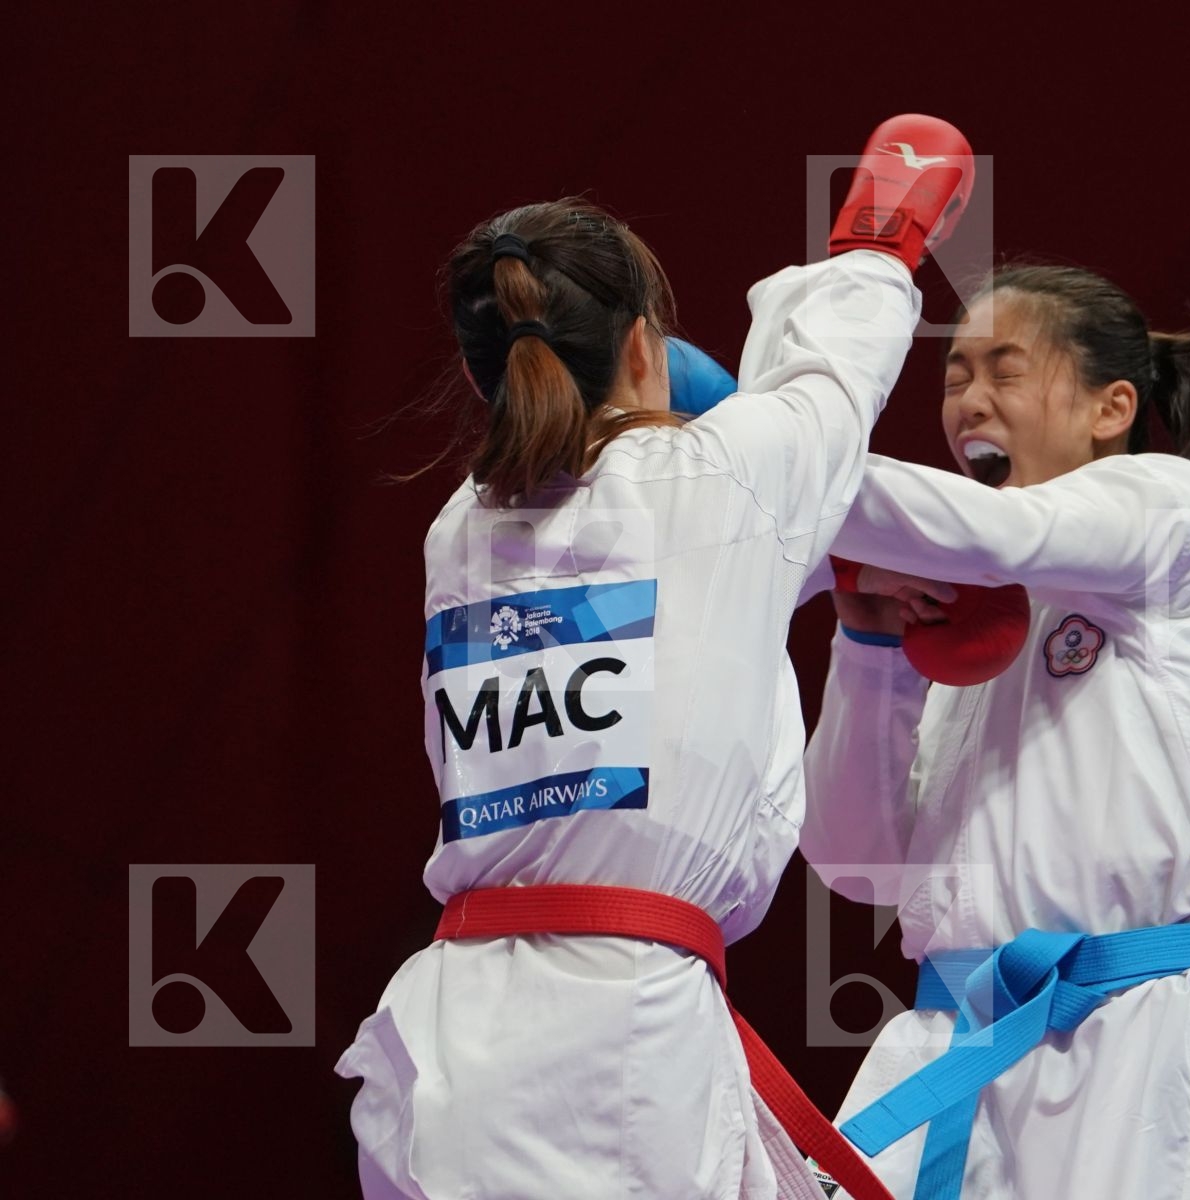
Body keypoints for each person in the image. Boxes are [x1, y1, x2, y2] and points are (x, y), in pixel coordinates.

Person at [335, 114, 974, 1200]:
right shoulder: (714, 483)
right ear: (640, 347)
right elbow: (834, 374)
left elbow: (673, 611)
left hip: (449, 1035)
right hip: (613, 1047)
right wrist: (881, 232)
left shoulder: (461, 532)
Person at [799, 265, 1190, 1198]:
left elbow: (999, 537)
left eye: (1006, 369)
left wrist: (781, 459)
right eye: (955, 377)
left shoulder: (1173, 509)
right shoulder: (973, 617)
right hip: (956, 1040)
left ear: (1111, 407)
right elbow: (855, 857)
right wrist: (868, 642)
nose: (970, 400)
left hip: (1140, 1035)